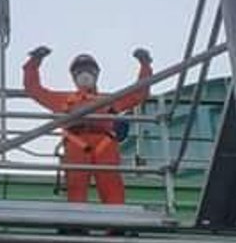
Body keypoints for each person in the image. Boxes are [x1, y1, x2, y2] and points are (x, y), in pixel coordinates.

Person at [22, 45, 152, 205]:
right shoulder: (64, 99)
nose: (84, 74)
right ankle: (77, 224)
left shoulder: (110, 100)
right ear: (74, 76)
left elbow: (139, 93)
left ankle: (115, 225)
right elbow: (34, 90)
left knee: (111, 183)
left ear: (96, 74)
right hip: (77, 144)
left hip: (105, 144)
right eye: (79, 71)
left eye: (89, 70)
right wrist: (34, 62)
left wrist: (145, 65)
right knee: (76, 184)